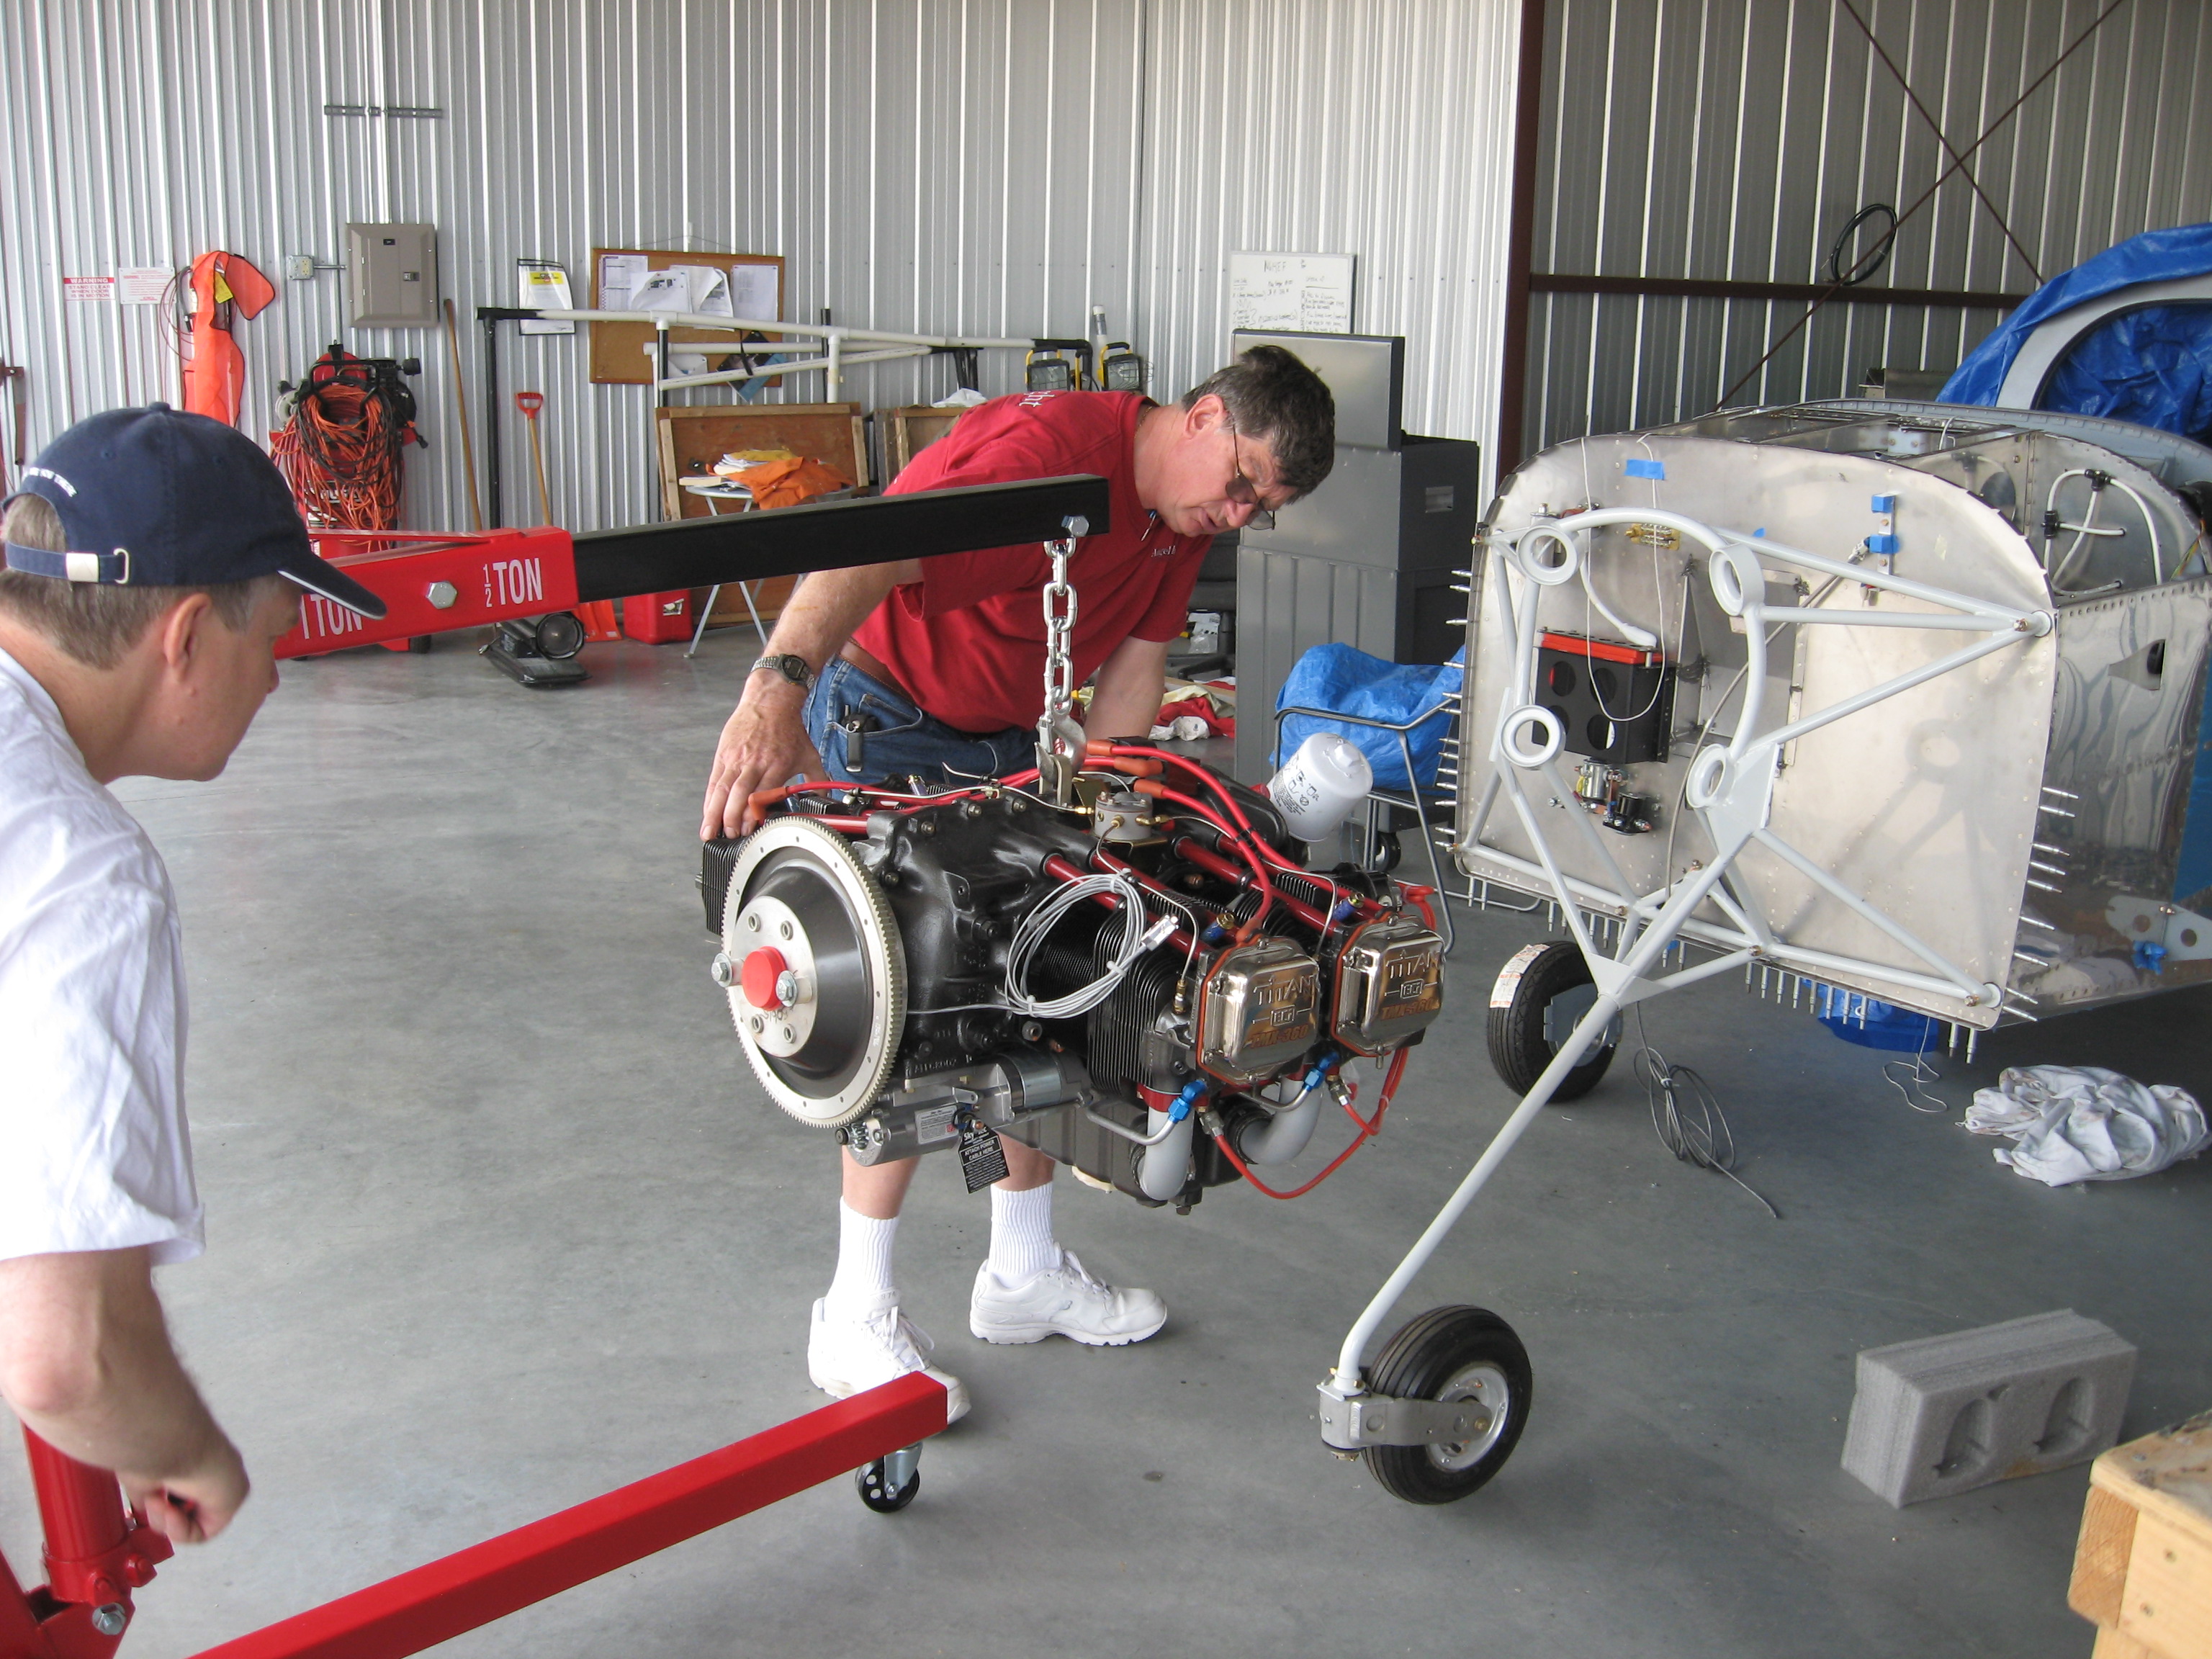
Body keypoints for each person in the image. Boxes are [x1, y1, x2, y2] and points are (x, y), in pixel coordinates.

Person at [699, 346, 1335, 1419]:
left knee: (1047, 989)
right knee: (914, 1014)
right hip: (893, 716)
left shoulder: (1172, 520)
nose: (1236, 514)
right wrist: (776, 688)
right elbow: (867, 549)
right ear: (1204, 416)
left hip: (1010, 739)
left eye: (1260, 508)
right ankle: (854, 1312)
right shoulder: (1043, 459)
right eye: (1240, 483)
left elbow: (1132, 670)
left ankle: (1022, 1272)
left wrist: (1104, 835)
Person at [0, 405, 386, 1542]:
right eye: (270, 633)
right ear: (180, 639)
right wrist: (184, 1449)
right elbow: (69, 1358)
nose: (274, 677)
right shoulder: (81, 880)